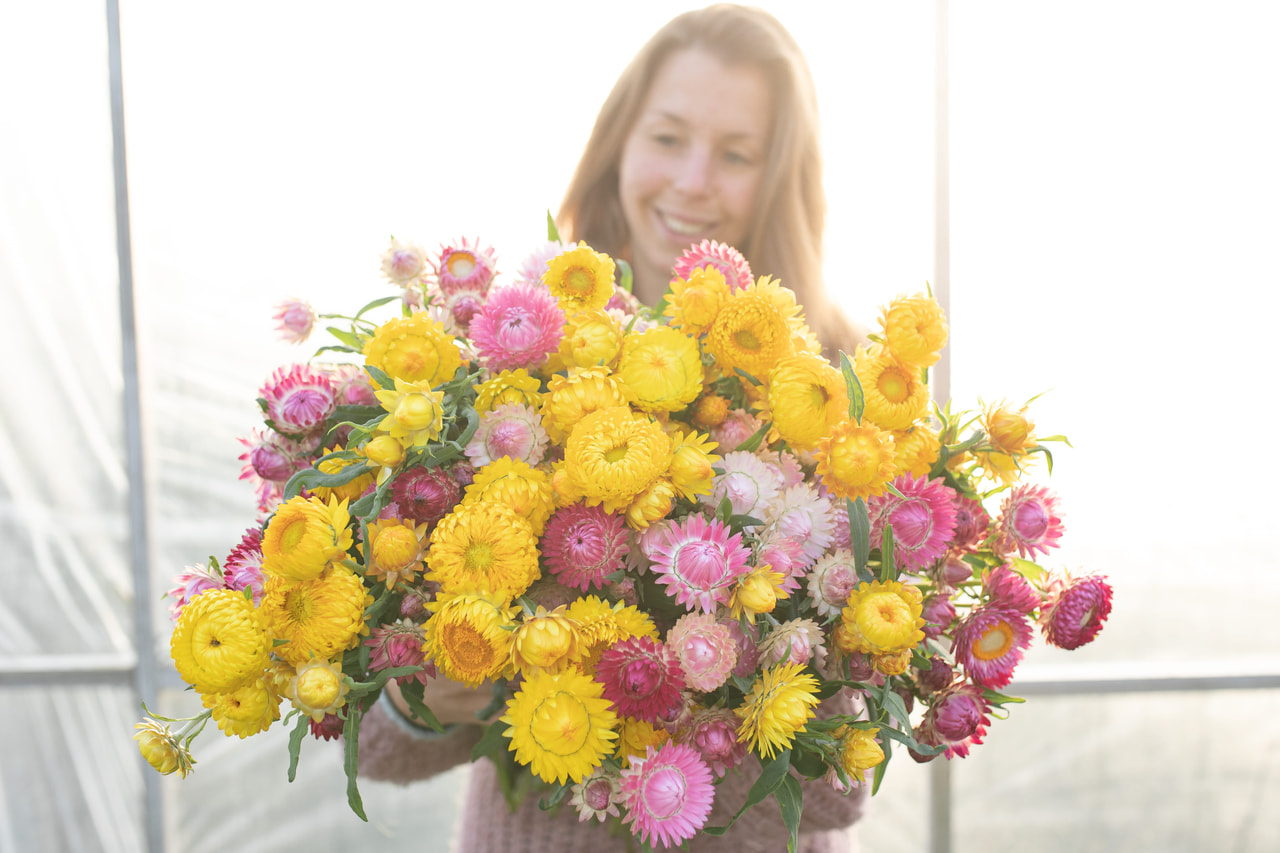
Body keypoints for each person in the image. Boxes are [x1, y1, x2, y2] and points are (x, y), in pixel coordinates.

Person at [359, 5, 869, 851]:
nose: (694, 179)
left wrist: (666, 701)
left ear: (780, 175)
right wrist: (430, 697)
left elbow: (841, 788)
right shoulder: (502, 354)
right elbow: (374, 746)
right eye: (668, 137)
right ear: (618, 142)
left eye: (737, 154)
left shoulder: (837, 392)